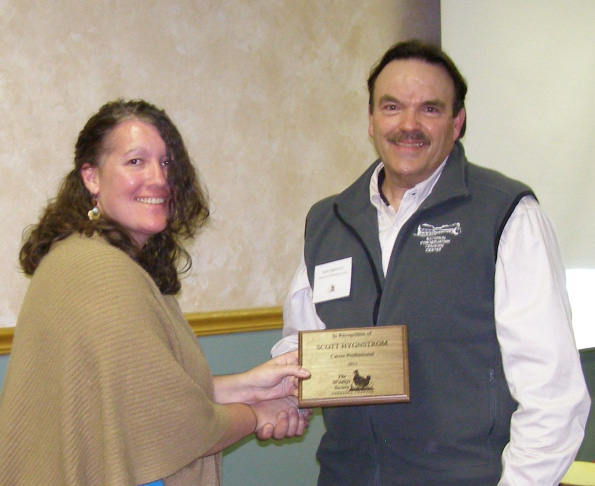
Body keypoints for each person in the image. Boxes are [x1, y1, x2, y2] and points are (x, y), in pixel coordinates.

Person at [271, 40, 591, 485]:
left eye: (430, 109)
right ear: (370, 119)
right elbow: (301, 348)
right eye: (391, 107)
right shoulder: (329, 220)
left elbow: (554, 395)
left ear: (457, 122)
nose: (408, 125)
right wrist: (282, 399)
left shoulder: (507, 215)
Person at [0, 99, 311, 486]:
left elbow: (139, 393)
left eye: (165, 163)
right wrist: (258, 413)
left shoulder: (87, 256)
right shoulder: (100, 271)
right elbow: (174, 422)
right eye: (136, 161)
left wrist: (252, 383)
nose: (159, 178)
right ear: (91, 177)